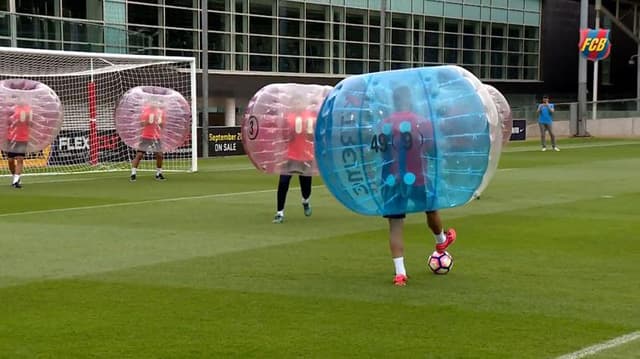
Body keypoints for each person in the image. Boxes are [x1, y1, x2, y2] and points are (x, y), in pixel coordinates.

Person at [380, 86, 456, 287]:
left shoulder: (385, 124)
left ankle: (400, 274)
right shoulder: (422, 122)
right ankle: (441, 240)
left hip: (392, 180)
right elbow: (431, 149)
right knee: (431, 210)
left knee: (395, 227)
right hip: (418, 177)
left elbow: (381, 152)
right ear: (410, 100)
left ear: (394, 101)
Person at [272, 108, 315, 224]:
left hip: (306, 156)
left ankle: (305, 201)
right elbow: (283, 135)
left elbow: (314, 134)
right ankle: (279, 213)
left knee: (306, 186)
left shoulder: (310, 116)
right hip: (290, 156)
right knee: (283, 183)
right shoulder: (289, 117)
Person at [130, 103, 165, 181]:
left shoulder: (160, 112)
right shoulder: (146, 111)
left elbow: (163, 126)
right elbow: (141, 124)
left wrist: (159, 122)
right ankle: (133, 173)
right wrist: (149, 121)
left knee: (159, 155)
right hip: (145, 136)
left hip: (156, 137)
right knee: (139, 155)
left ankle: (159, 173)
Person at [4, 102, 32, 188]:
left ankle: (16, 181)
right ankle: (15, 177)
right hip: (11, 137)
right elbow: (6, 121)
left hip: (23, 138)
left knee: (20, 159)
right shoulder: (10, 108)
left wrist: (26, 119)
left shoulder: (28, 109)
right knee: (10, 160)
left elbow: (30, 123)